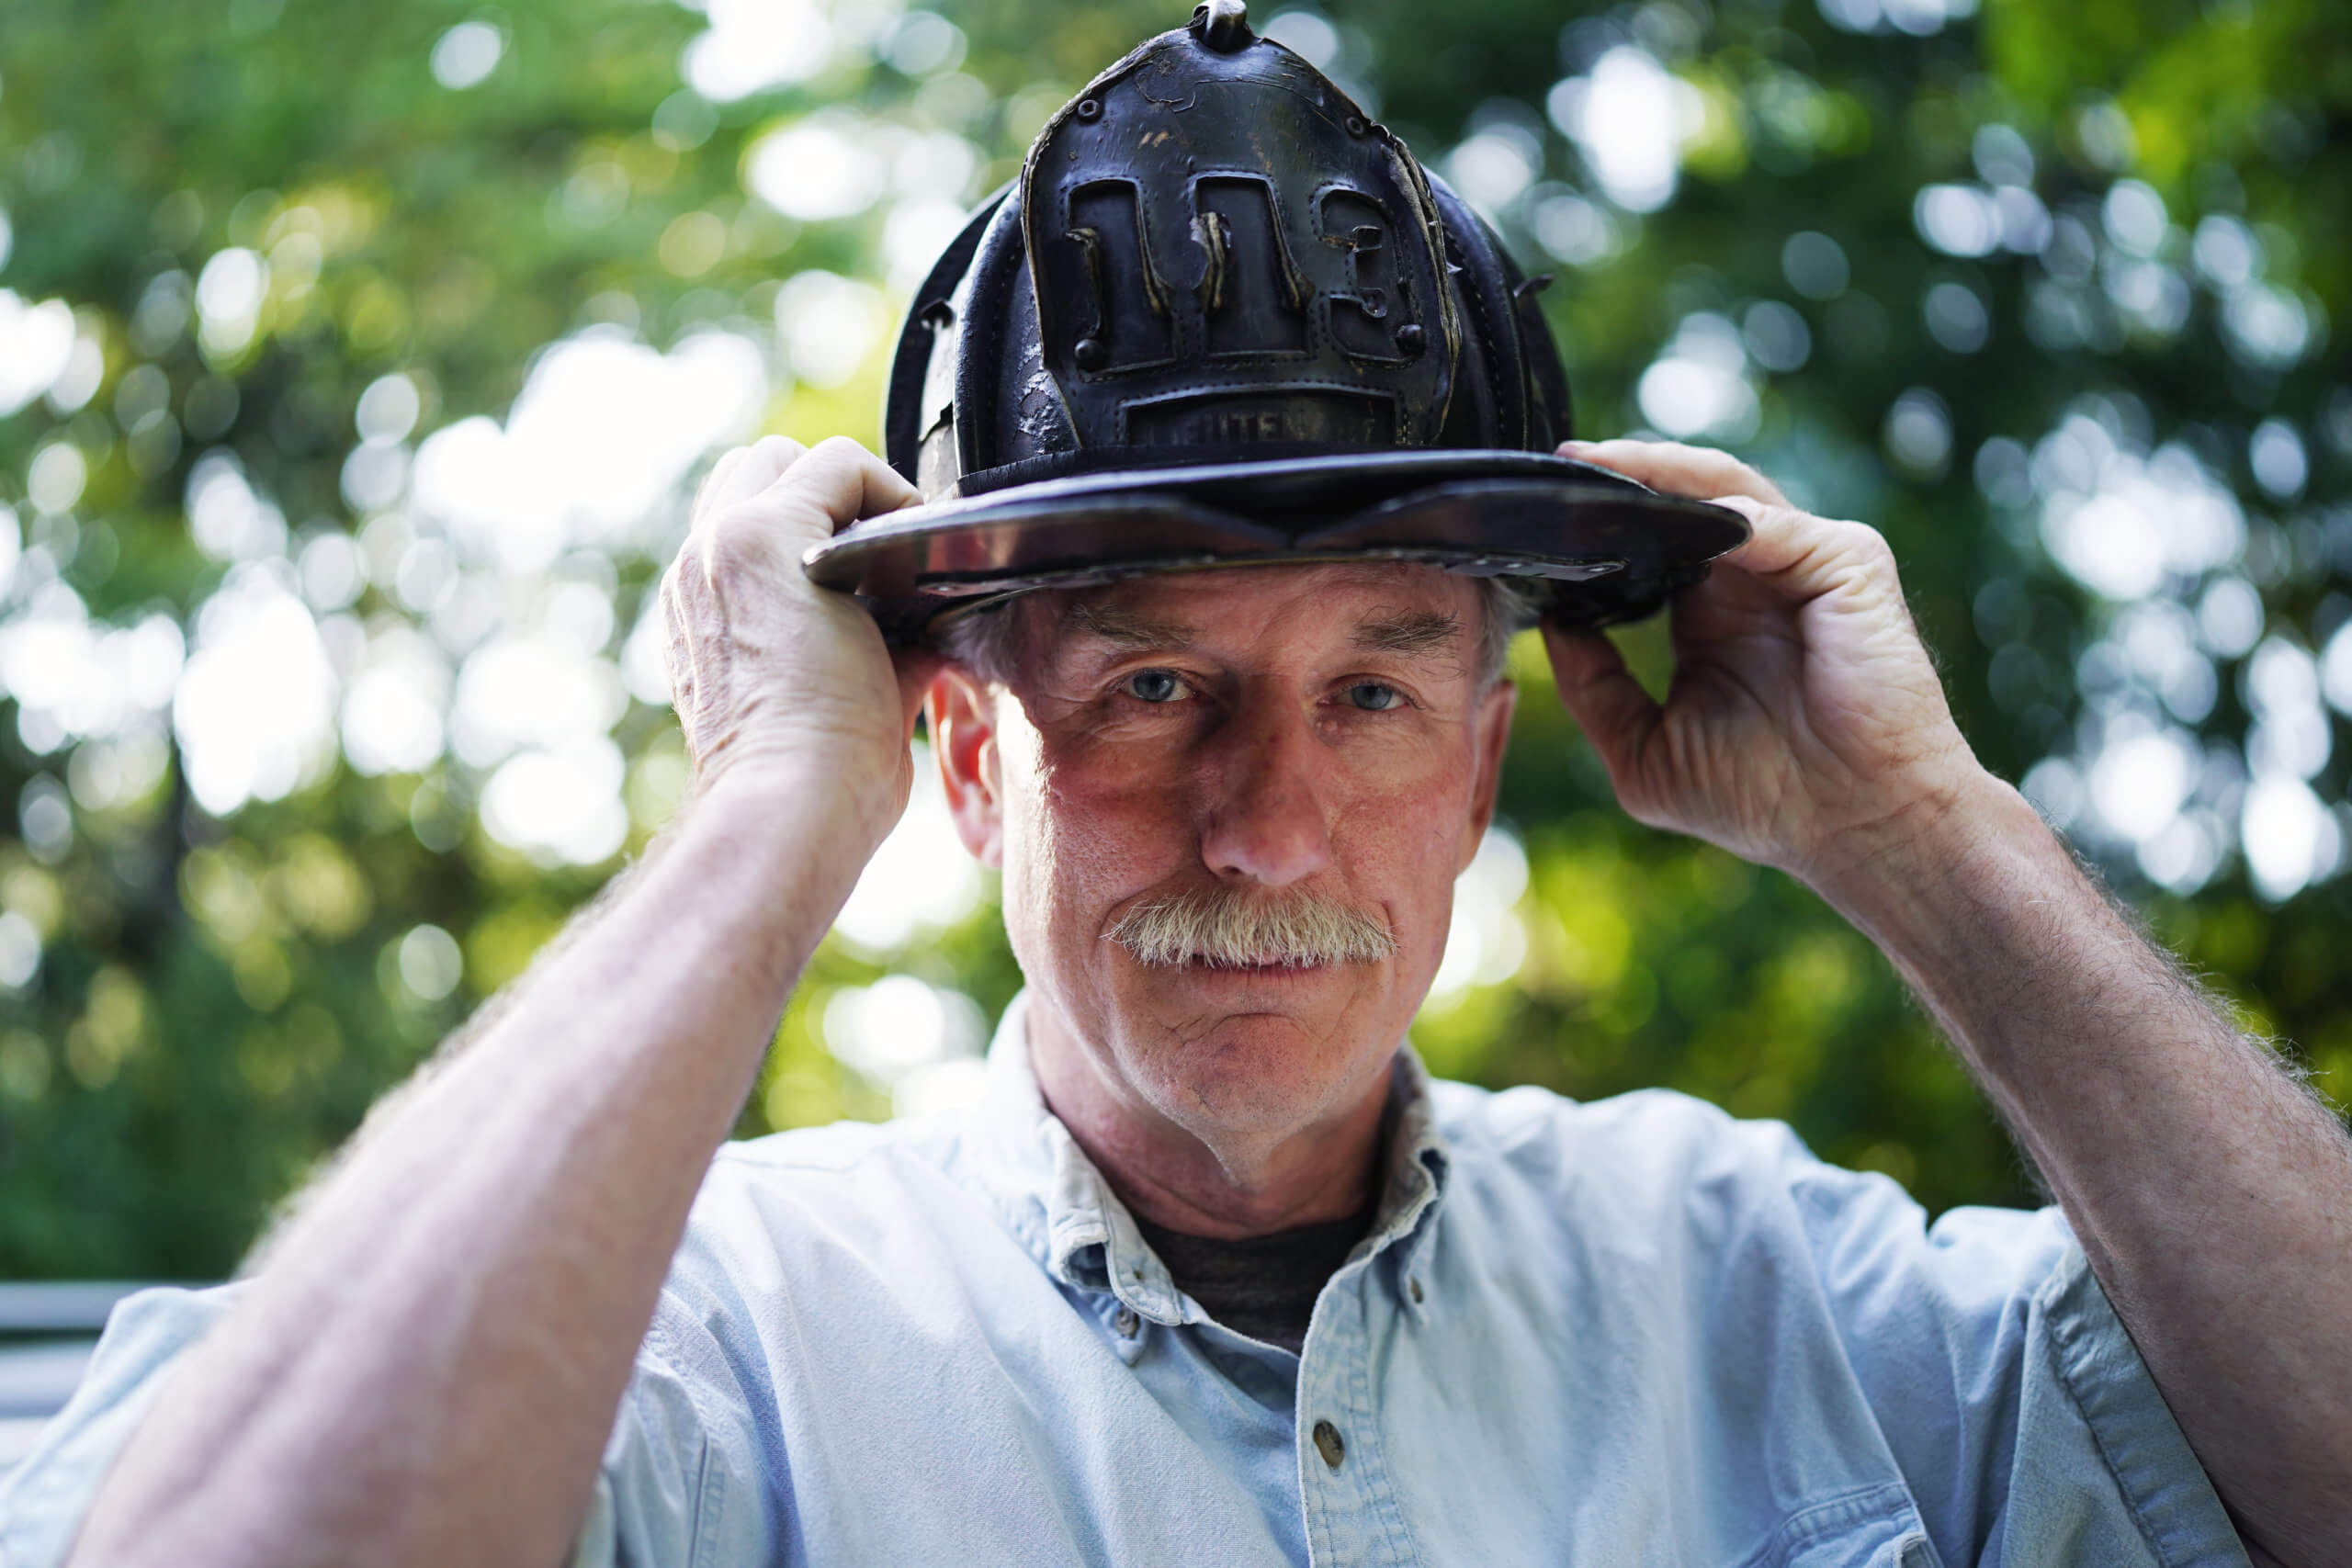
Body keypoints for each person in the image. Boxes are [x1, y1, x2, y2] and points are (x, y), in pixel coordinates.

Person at [7, 6, 2349, 1562]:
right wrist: (748, 819)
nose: (1263, 825)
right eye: (1145, 688)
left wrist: (1920, 834)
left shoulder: (1773, 1289)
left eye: (1370, 696)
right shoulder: (710, 1347)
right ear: (951, 755)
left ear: (1485, 754)